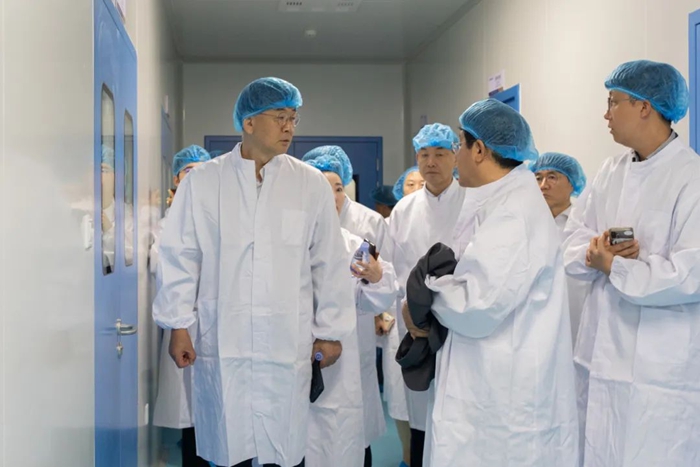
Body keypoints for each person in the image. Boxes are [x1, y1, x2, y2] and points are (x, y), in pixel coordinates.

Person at [153, 77, 355, 467]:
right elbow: (180, 255)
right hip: (223, 338)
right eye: (279, 117)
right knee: (231, 444)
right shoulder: (204, 182)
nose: (289, 127)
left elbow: (328, 262)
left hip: (286, 339)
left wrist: (330, 331)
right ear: (248, 122)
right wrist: (178, 324)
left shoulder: (309, 184)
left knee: (285, 446)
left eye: (293, 118)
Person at [413, 98, 578, 466]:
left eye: (459, 144)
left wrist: (427, 295)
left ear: (479, 150)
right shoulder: (498, 201)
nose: (455, 155)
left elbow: (477, 307)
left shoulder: (514, 214)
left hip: (504, 396)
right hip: (490, 383)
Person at [563, 60, 700, 467]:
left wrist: (616, 267)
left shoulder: (691, 177)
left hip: (659, 367)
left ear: (644, 107)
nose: (606, 114)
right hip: (599, 354)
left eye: (613, 102)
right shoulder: (610, 172)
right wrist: (595, 252)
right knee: (598, 450)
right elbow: (571, 241)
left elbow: (690, 273)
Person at [303, 154, 399, 467]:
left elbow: (378, 296)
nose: (332, 196)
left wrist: (376, 277)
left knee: (340, 440)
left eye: (338, 188)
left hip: (342, 362)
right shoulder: (285, 242)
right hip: (293, 358)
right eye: (323, 187)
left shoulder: (355, 245)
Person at [387, 123, 465, 467]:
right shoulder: (404, 209)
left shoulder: (472, 202)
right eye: (424, 155)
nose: (431, 162)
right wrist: (407, 312)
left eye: (440, 154)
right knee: (420, 414)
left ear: (456, 157)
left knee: (456, 413)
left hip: (460, 322)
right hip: (414, 324)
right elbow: (392, 269)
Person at [151, 145, 211, 467]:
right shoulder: (166, 224)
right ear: (176, 179)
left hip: (216, 323)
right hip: (185, 324)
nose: (193, 178)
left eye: (200, 172)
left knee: (220, 407)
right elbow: (161, 265)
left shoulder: (219, 217)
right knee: (191, 413)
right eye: (188, 171)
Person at [530, 152, 589, 341]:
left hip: (575, 313)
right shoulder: (527, 224)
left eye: (552, 177)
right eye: (538, 178)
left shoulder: (585, 224)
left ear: (572, 183)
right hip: (534, 317)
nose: (543, 185)